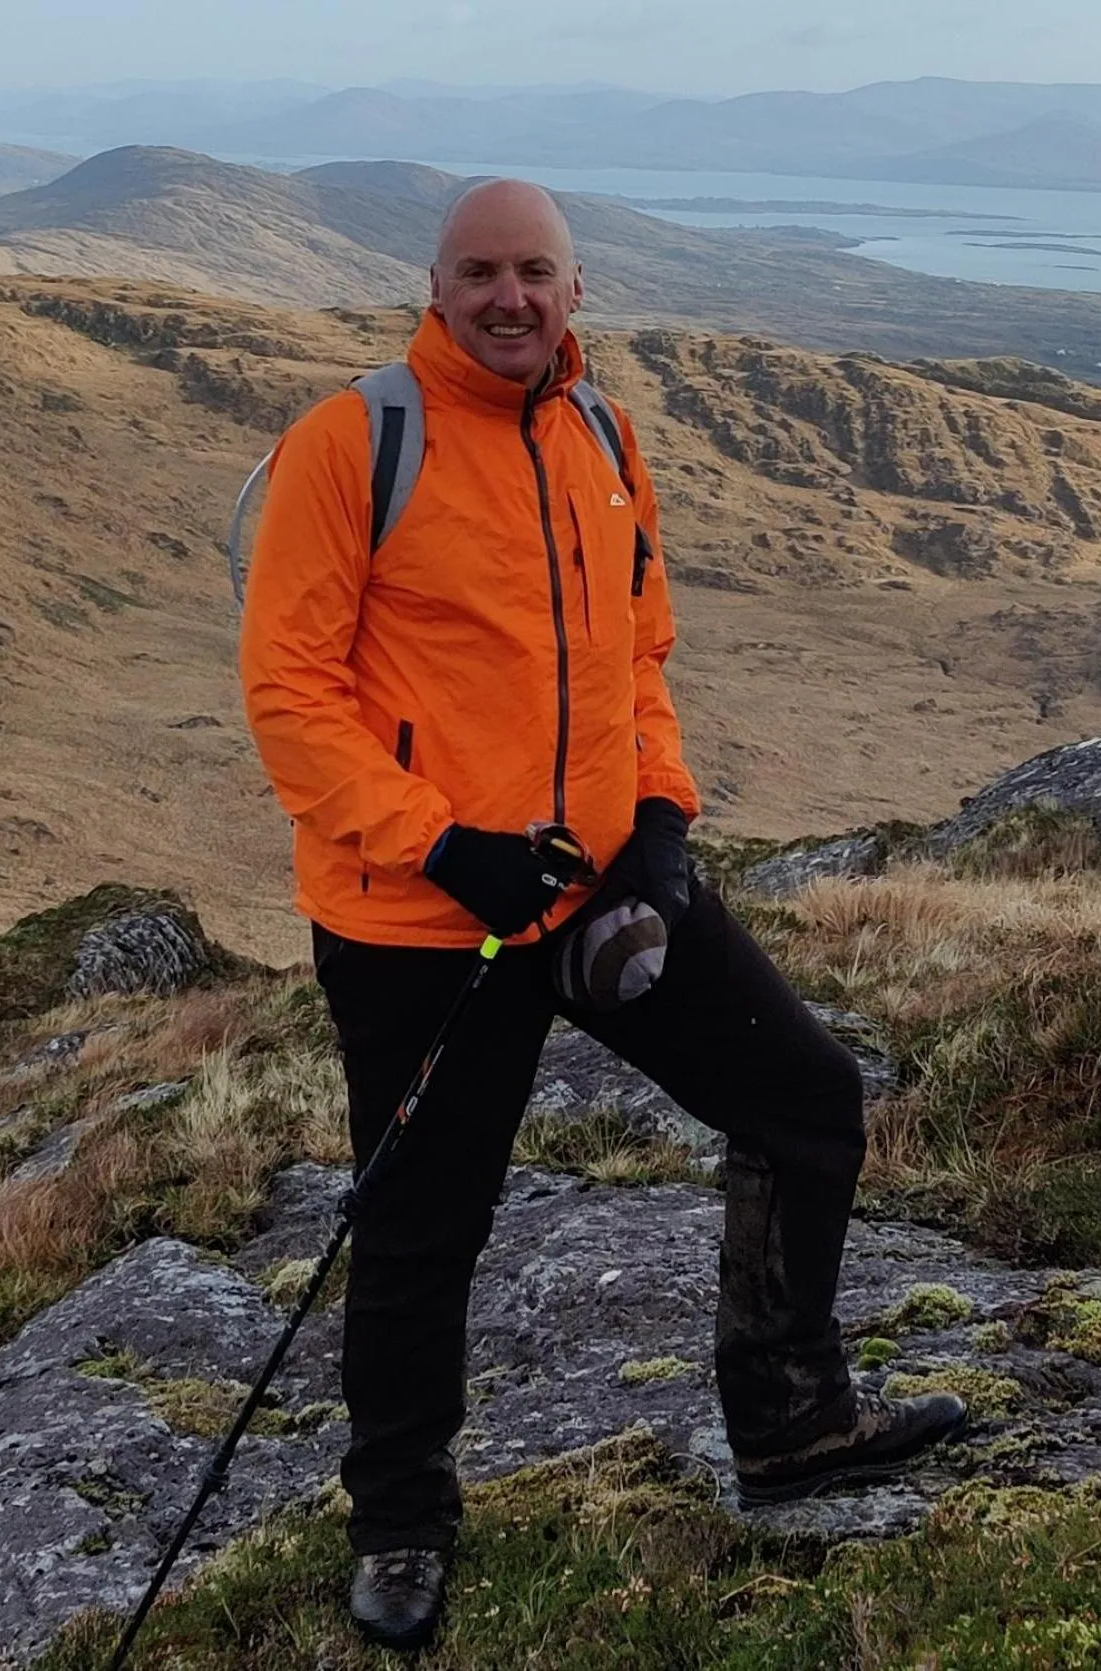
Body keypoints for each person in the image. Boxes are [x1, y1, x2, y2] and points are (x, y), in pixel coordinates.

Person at [238, 178, 966, 1652]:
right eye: (479, 273)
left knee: (807, 1097)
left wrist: (660, 821)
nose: (509, 297)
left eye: (535, 274)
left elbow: (637, 656)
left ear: (576, 292)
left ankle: (789, 1422)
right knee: (420, 1229)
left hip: (594, 890)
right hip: (420, 922)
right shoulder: (352, 441)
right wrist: (442, 844)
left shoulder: (598, 434)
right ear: (433, 287)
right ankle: (398, 1520)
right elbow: (288, 697)